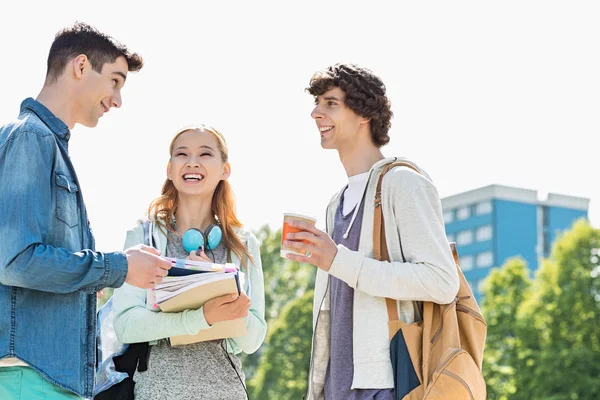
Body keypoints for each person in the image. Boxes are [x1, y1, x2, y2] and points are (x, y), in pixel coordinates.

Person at [0, 22, 172, 399]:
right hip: (29, 377)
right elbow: (16, 261)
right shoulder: (31, 138)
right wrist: (119, 267)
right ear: (80, 66)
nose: (117, 100)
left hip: (48, 377)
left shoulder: (49, 145)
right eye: (114, 81)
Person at [284, 63, 460, 399]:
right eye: (317, 103)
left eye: (330, 103)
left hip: (385, 385)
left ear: (364, 114)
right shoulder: (336, 203)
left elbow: (441, 281)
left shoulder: (403, 183)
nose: (315, 113)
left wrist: (338, 260)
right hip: (337, 386)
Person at [111, 125, 267, 399]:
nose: (192, 162)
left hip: (226, 392)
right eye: (182, 154)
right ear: (170, 169)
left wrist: (223, 289)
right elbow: (126, 326)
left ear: (225, 170)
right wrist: (202, 317)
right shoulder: (143, 237)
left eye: (205, 154)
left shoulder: (243, 243)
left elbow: (253, 341)